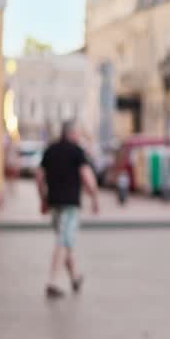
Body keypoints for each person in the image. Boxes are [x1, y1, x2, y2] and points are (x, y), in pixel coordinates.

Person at [37, 120, 99, 298]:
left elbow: (39, 177)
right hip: (71, 205)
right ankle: (52, 282)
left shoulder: (50, 150)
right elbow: (87, 176)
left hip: (54, 203)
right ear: (72, 134)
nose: (79, 136)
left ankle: (75, 277)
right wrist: (94, 198)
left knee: (65, 241)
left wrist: (42, 199)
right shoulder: (77, 152)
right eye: (78, 133)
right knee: (63, 242)